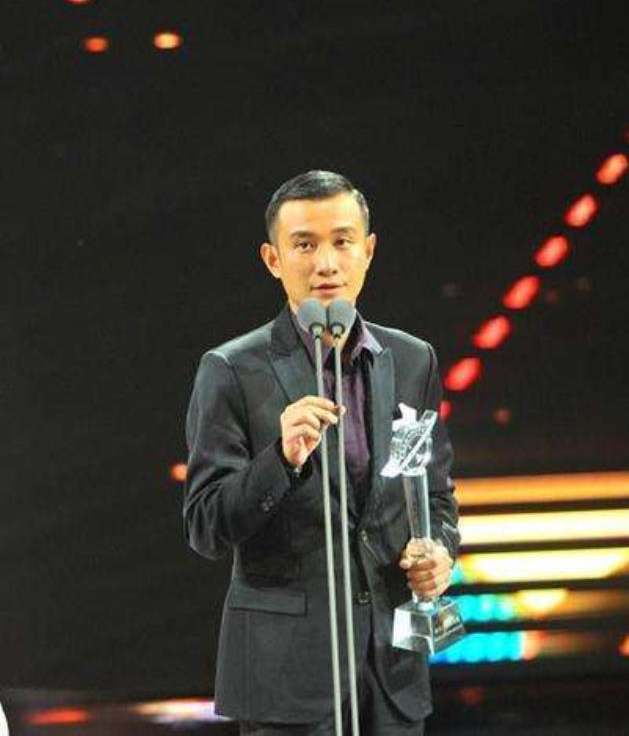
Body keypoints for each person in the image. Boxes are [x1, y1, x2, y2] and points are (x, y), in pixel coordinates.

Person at [184, 170, 459, 735]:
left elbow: (436, 496)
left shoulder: (413, 360)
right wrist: (280, 460)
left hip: (391, 674)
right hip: (286, 679)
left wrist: (440, 553)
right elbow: (206, 526)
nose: (327, 263)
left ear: (369, 250)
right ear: (273, 259)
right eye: (305, 245)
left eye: (342, 241)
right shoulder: (232, 370)